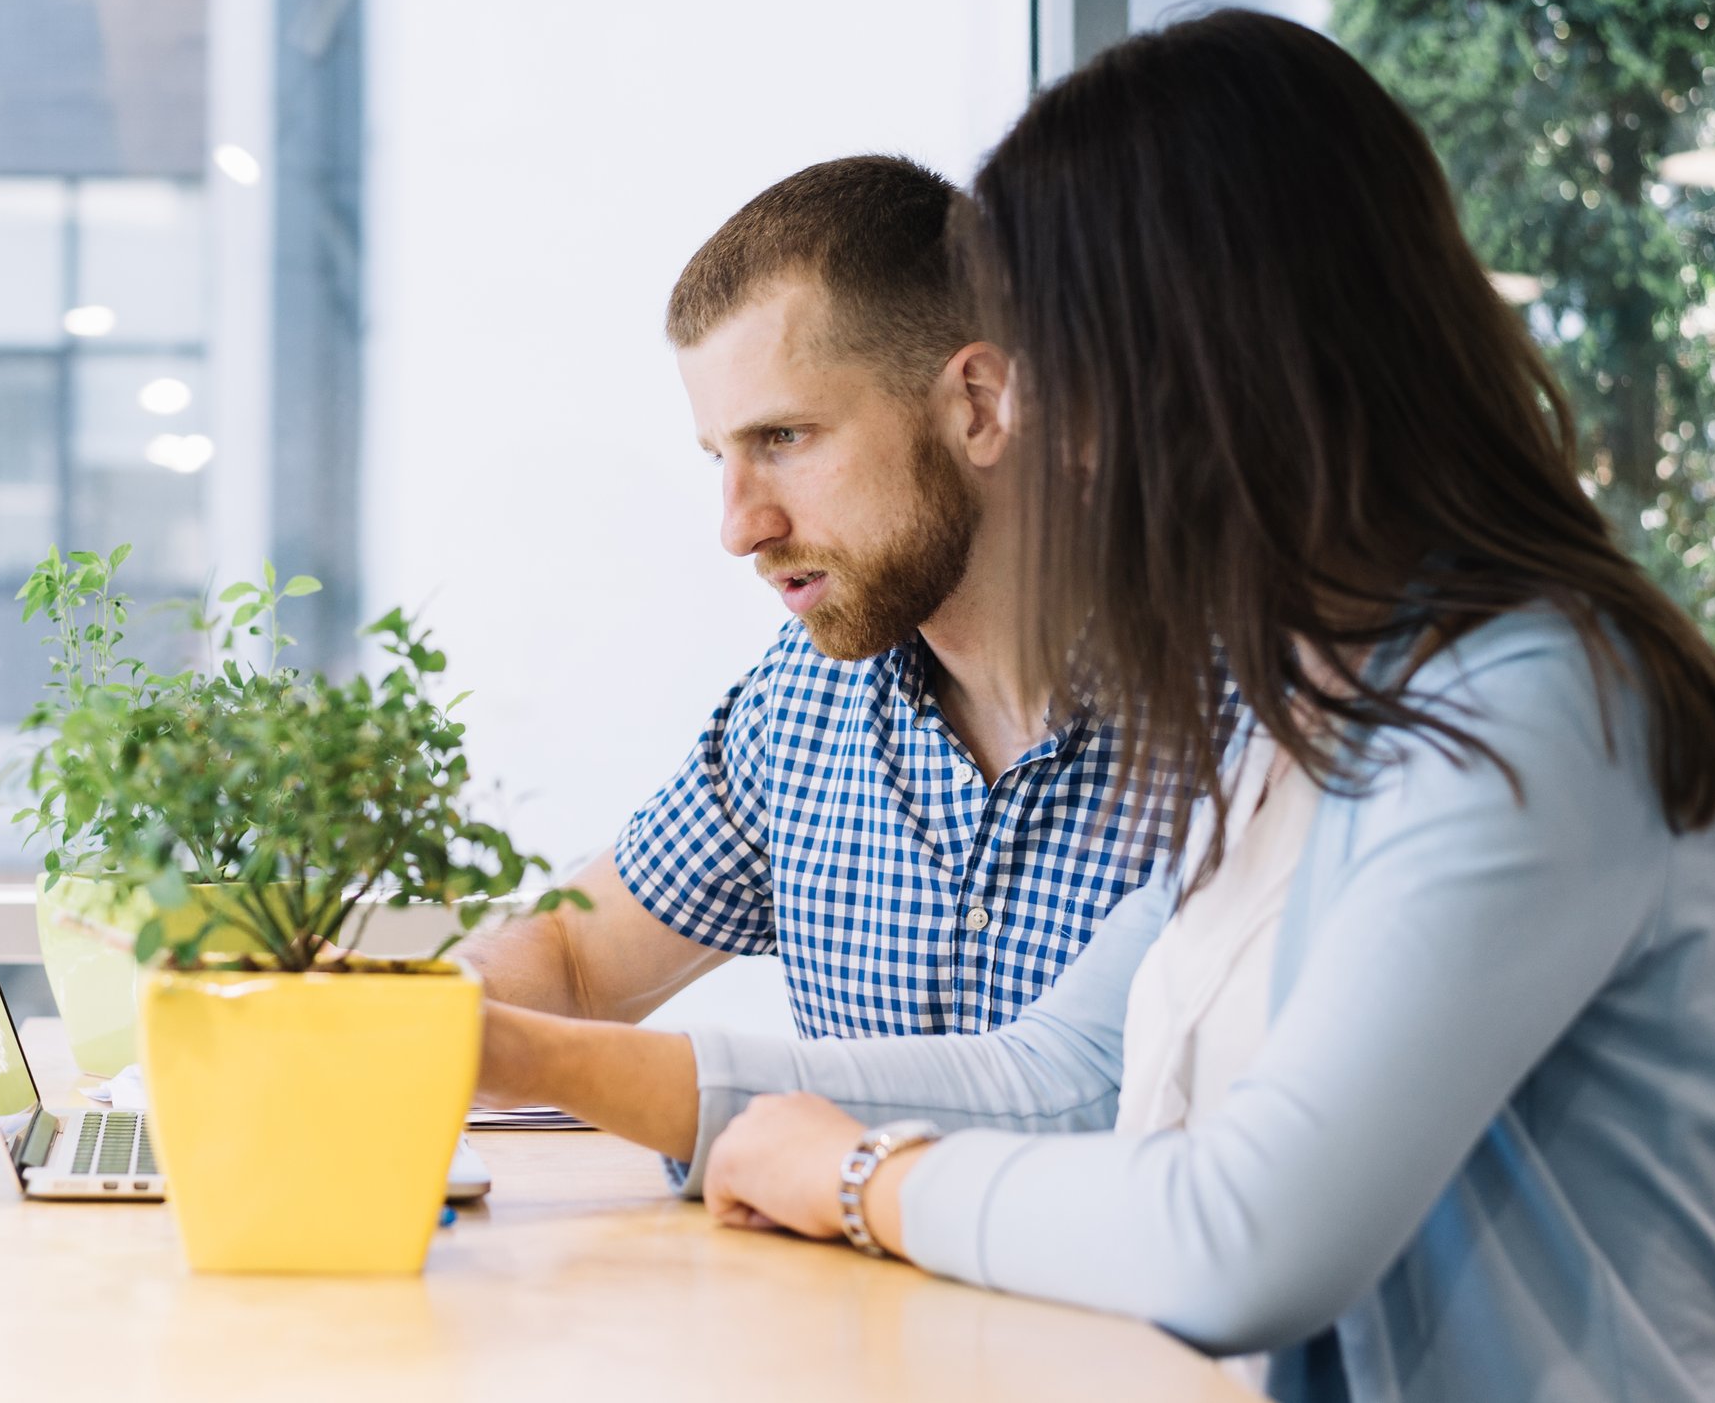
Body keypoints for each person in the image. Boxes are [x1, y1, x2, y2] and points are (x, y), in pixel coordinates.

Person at [476, 10, 1715, 1402]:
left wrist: (871, 1177)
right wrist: (508, 1052)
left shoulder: (1536, 704)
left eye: (1065, 360)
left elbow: (1249, 1234)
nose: (1044, 427)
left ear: (1215, 355)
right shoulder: (1320, 701)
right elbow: (1072, 1074)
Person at [462, 155, 1220, 1038]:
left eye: (784, 437)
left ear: (976, 406)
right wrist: (388, 1023)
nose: (740, 528)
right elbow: (576, 958)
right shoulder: (808, 693)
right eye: (721, 457)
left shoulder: (1251, 714)